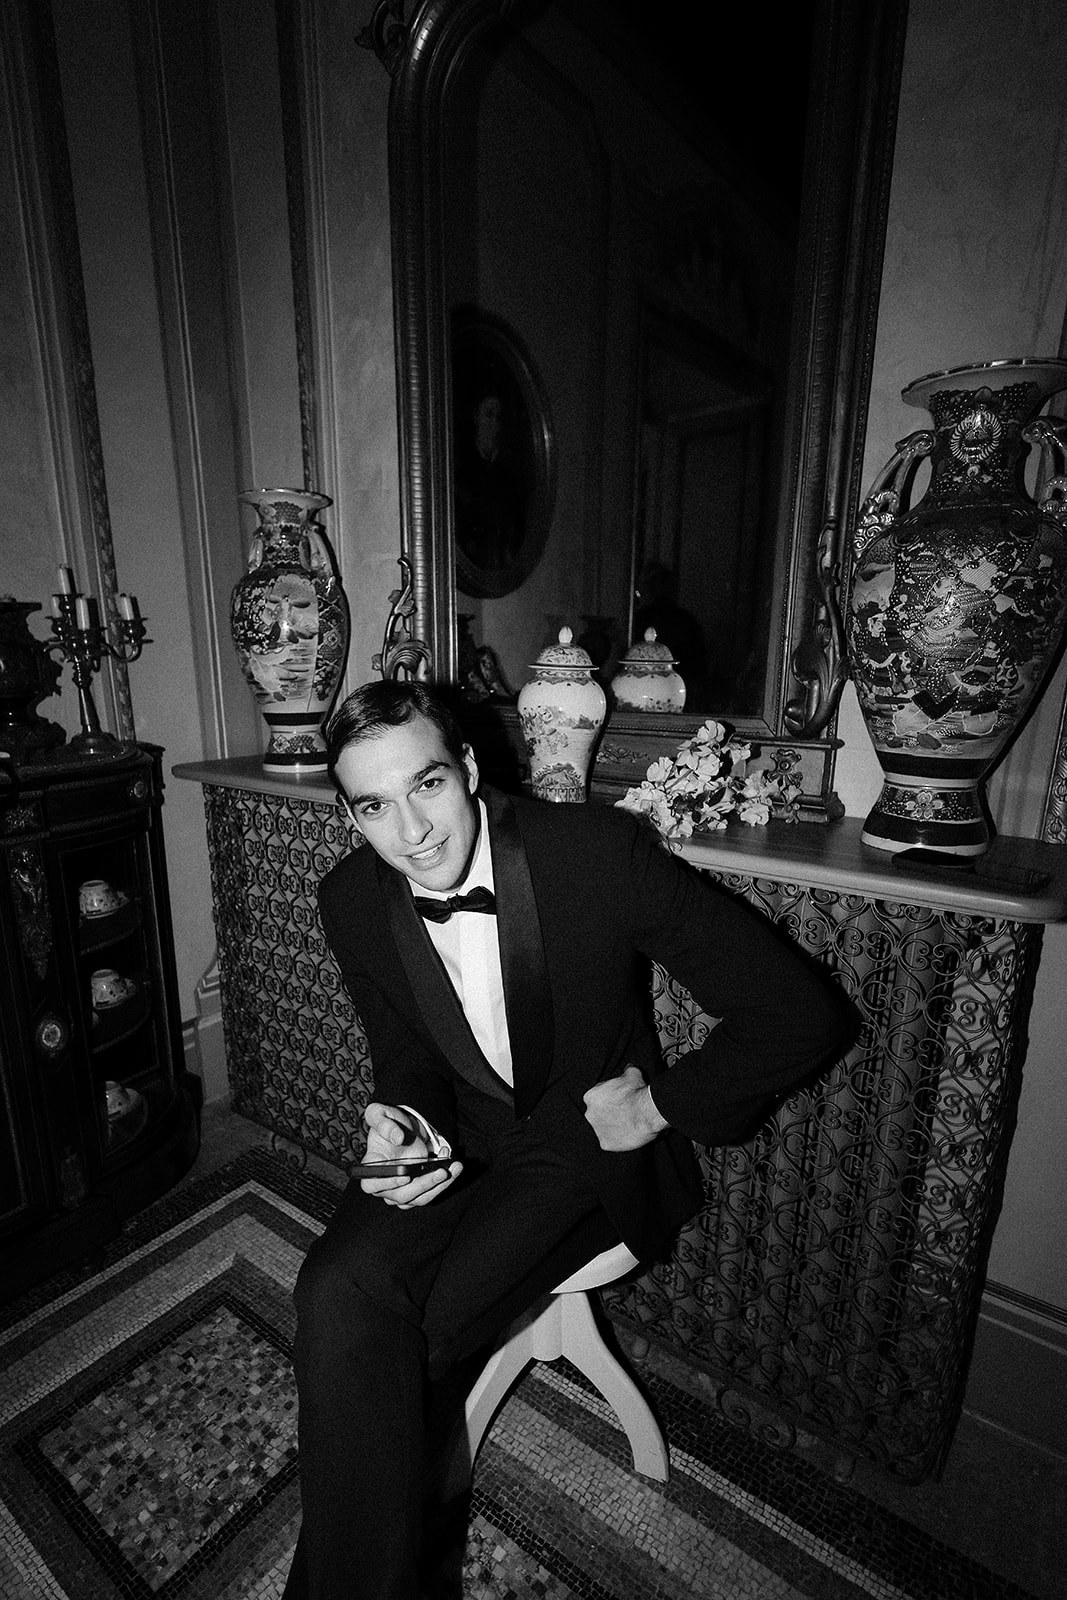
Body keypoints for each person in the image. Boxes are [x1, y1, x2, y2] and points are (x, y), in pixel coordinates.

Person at [282, 679, 844, 1600]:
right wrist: (402, 1120)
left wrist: (657, 1107)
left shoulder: (592, 854)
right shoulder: (347, 898)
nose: (411, 833)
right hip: (455, 1140)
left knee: (408, 1340)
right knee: (334, 1293)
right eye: (374, 807)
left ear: (468, 769)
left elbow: (796, 1011)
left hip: (585, 1145)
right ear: (350, 814)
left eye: (427, 785)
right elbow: (406, 1056)